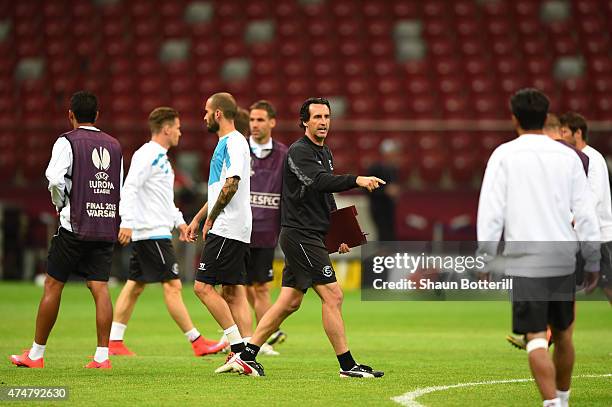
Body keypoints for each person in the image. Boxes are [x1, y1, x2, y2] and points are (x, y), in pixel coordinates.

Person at [220, 97, 386, 377]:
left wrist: (339, 232)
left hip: (311, 234)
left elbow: (323, 193)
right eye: (317, 117)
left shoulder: (324, 152)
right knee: (333, 295)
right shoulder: (299, 152)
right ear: (305, 122)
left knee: (289, 302)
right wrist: (355, 179)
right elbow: (318, 181)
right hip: (300, 235)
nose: (323, 122)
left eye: (327, 117)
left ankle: (246, 355)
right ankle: (347, 366)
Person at [478, 88, 600, 407]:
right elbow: (585, 211)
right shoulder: (568, 156)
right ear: (547, 118)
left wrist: (486, 257)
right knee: (563, 335)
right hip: (563, 256)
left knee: (534, 338)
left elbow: (491, 213)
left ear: (514, 119)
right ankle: (563, 397)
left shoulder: (503, 155)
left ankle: (552, 404)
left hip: (525, 260)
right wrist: (593, 258)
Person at [10, 91, 123, 369]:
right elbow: (117, 186)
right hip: (104, 224)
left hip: (75, 225)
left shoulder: (66, 141)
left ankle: (36, 355)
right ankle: (102, 357)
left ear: (70, 114)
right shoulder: (115, 145)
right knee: (100, 287)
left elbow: (54, 178)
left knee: (53, 284)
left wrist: (60, 204)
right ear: (97, 115)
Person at [108, 107, 225, 357]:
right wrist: (126, 221)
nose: (181, 132)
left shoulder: (161, 158)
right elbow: (129, 187)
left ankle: (114, 342)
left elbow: (162, 198)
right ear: (167, 129)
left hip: (154, 229)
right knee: (173, 286)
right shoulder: (147, 154)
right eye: (178, 127)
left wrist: (179, 222)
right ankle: (197, 342)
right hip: (151, 232)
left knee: (135, 285)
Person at [185, 92, 253, 373]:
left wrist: (211, 219)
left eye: (206, 111)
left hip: (228, 225)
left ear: (217, 114)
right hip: (227, 223)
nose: (203, 116)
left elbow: (231, 185)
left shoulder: (235, 142)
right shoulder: (224, 144)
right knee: (232, 291)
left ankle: (238, 350)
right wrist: (198, 218)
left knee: (202, 286)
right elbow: (218, 189)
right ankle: (247, 354)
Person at [246, 100, 289, 353]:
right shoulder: (240, 150)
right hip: (238, 231)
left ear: (272, 122)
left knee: (260, 287)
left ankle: (259, 342)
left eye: (260, 120)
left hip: (265, 232)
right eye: (252, 120)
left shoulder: (284, 155)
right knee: (234, 287)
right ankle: (240, 338)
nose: (255, 125)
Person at [560, 112, 612, 303]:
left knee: (609, 287)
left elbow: (593, 197)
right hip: (580, 235)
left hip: (601, 236)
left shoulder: (593, 159)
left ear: (578, 133)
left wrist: (571, 218)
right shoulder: (575, 159)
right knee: (564, 287)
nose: (561, 136)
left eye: (564, 131)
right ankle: (547, 332)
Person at [367, 138, 401, 241]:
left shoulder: (393, 169)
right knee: (383, 234)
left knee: (390, 234)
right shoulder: (375, 168)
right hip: (378, 207)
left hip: (389, 207)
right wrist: (385, 191)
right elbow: (367, 189)